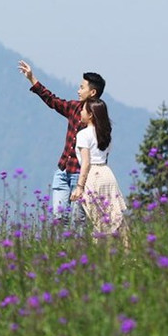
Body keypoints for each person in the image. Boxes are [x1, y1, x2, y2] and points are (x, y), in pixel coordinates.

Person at [18, 61, 106, 226]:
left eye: (82, 87)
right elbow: (53, 101)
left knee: (78, 222)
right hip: (63, 171)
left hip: (81, 176)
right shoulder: (74, 108)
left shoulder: (98, 121)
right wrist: (32, 78)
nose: (78, 90)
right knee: (59, 220)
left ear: (92, 92)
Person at [70, 99, 128, 238]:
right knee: (114, 215)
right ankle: (127, 246)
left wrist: (79, 186)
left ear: (90, 114)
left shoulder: (83, 134)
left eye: (83, 110)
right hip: (107, 173)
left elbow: (86, 162)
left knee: (89, 217)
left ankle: (87, 245)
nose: (80, 112)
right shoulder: (105, 134)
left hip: (92, 175)